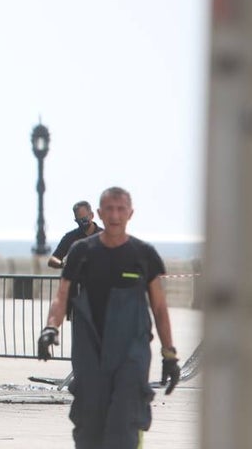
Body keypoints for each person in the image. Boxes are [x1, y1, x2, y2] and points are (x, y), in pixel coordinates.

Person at [37, 187, 180, 449]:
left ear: (130, 213)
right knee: (89, 426)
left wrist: (169, 354)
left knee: (125, 421)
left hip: (131, 352)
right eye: (109, 210)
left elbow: (159, 307)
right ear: (100, 214)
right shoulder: (81, 251)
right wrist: (50, 328)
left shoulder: (143, 254)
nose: (115, 215)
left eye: (121, 209)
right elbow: (62, 295)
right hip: (90, 350)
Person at [48, 201, 102, 269]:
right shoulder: (70, 237)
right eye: (79, 221)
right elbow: (52, 259)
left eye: (84, 219)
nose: (82, 223)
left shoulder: (106, 235)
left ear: (92, 215)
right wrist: (64, 265)